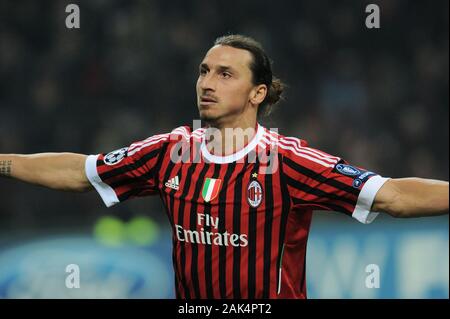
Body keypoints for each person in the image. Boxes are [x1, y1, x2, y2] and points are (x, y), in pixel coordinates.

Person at [0, 34, 448, 299]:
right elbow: (82, 172)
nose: (206, 84)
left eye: (225, 74)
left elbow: (393, 195)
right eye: (203, 71)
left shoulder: (289, 162)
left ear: (258, 93)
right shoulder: (170, 151)